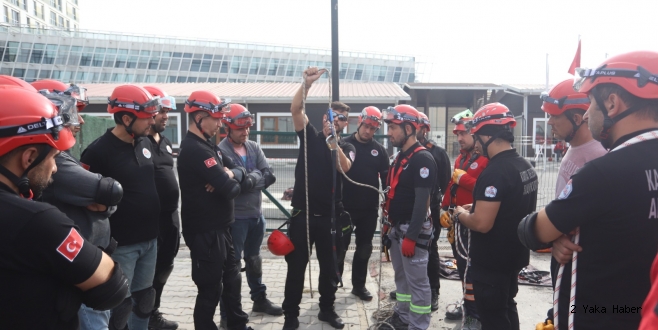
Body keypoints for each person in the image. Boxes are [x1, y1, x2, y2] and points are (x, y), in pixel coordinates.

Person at [518, 51, 658, 330]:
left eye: (591, 103)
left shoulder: (603, 173)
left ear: (612, 103)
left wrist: (554, 231)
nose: (587, 114)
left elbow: (535, 232)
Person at [0, 86, 129, 329]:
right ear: (28, 157)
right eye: (52, 158)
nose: (56, 168)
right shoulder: (40, 221)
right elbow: (113, 287)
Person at [81, 84, 162, 330]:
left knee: (145, 299)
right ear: (126, 118)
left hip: (150, 240)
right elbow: (84, 201)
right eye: (147, 117)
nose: (152, 121)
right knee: (120, 307)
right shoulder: (97, 152)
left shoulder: (145, 143)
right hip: (121, 246)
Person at [282, 67, 355, 330]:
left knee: (329, 268)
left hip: (330, 218)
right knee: (296, 268)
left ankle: (326, 310)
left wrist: (333, 143)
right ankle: (290, 315)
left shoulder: (346, 146)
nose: (338, 121)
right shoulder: (310, 136)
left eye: (344, 119)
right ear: (326, 116)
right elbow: (295, 110)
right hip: (303, 216)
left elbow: (344, 168)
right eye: (335, 116)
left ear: (346, 124)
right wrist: (307, 84)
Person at [453, 102, 536, 330]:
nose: (475, 143)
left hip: (491, 264)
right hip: (513, 257)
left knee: (494, 318)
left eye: (477, 136)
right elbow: (509, 206)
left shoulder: (495, 172)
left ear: (488, 135)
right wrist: (477, 206)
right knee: (507, 308)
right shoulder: (524, 166)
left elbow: (481, 223)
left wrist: (461, 213)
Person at [177, 90, 253, 330]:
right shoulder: (195, 150)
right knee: (210, 288)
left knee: (232, 280)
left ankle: (237, 325)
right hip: (205, 232)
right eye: (216, 117)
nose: (221, 122)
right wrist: (229, 177)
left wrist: (229, 173)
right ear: (199, 117)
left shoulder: (210, 147)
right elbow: (232, 189)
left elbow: (238, 171)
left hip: (222, 229)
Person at [218, 103, 282, 325]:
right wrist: (254, 178)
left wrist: (249, 179)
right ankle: (228, 314)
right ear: (228, 127)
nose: (245, 132)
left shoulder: (253, 146)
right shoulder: (221, 151)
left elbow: (269, 176)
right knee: (232, 268)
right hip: (235, 220)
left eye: (247, 128)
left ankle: (259, 299)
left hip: (256, 215)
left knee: (254, 260)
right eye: (240, 128)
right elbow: (232, 186)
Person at [380, 104, 436, 330]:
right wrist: (388, 226)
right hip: (397, 229)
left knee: (418, 283)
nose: (389, 132)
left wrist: (412, 237)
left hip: (412, 231)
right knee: (401, 278)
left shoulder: (423, 159)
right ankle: (402, 317)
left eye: (393, 127)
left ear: (409, 128)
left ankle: (418, 325)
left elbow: (422, 202)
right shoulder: (400, 157)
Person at [439, 114, 488, 329]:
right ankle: (468, 306)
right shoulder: (461, 158)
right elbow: (453, 186)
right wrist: (445, 208)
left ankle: (475, 314)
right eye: (457, 133)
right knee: (462, 269)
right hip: (459, 222)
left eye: (463, 133)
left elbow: (487, 190)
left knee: (472, 271)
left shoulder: (486, 159)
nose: (459, 137)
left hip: (474, 223)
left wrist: (462, 178)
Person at [341, 106, 389, 301]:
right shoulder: (343, 145)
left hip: (368, 209)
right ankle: (331, 284)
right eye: (366, 126)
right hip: (344, 208)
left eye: (373, 128)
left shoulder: (380, 151)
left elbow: (386, 182)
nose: (368, 131)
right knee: (339, 247)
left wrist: (387, 205)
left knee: (364, 248)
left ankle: (358, 286)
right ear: (359, 122)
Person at [143, 86, 181, 330]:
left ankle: (153, 312)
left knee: (165, 265)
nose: (166, 115)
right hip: (149, 221)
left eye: (167, 111)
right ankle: (140, 316)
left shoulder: (166, 142)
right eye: (161, 111)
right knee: (146, 271)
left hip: (171, 218)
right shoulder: (138, 141)